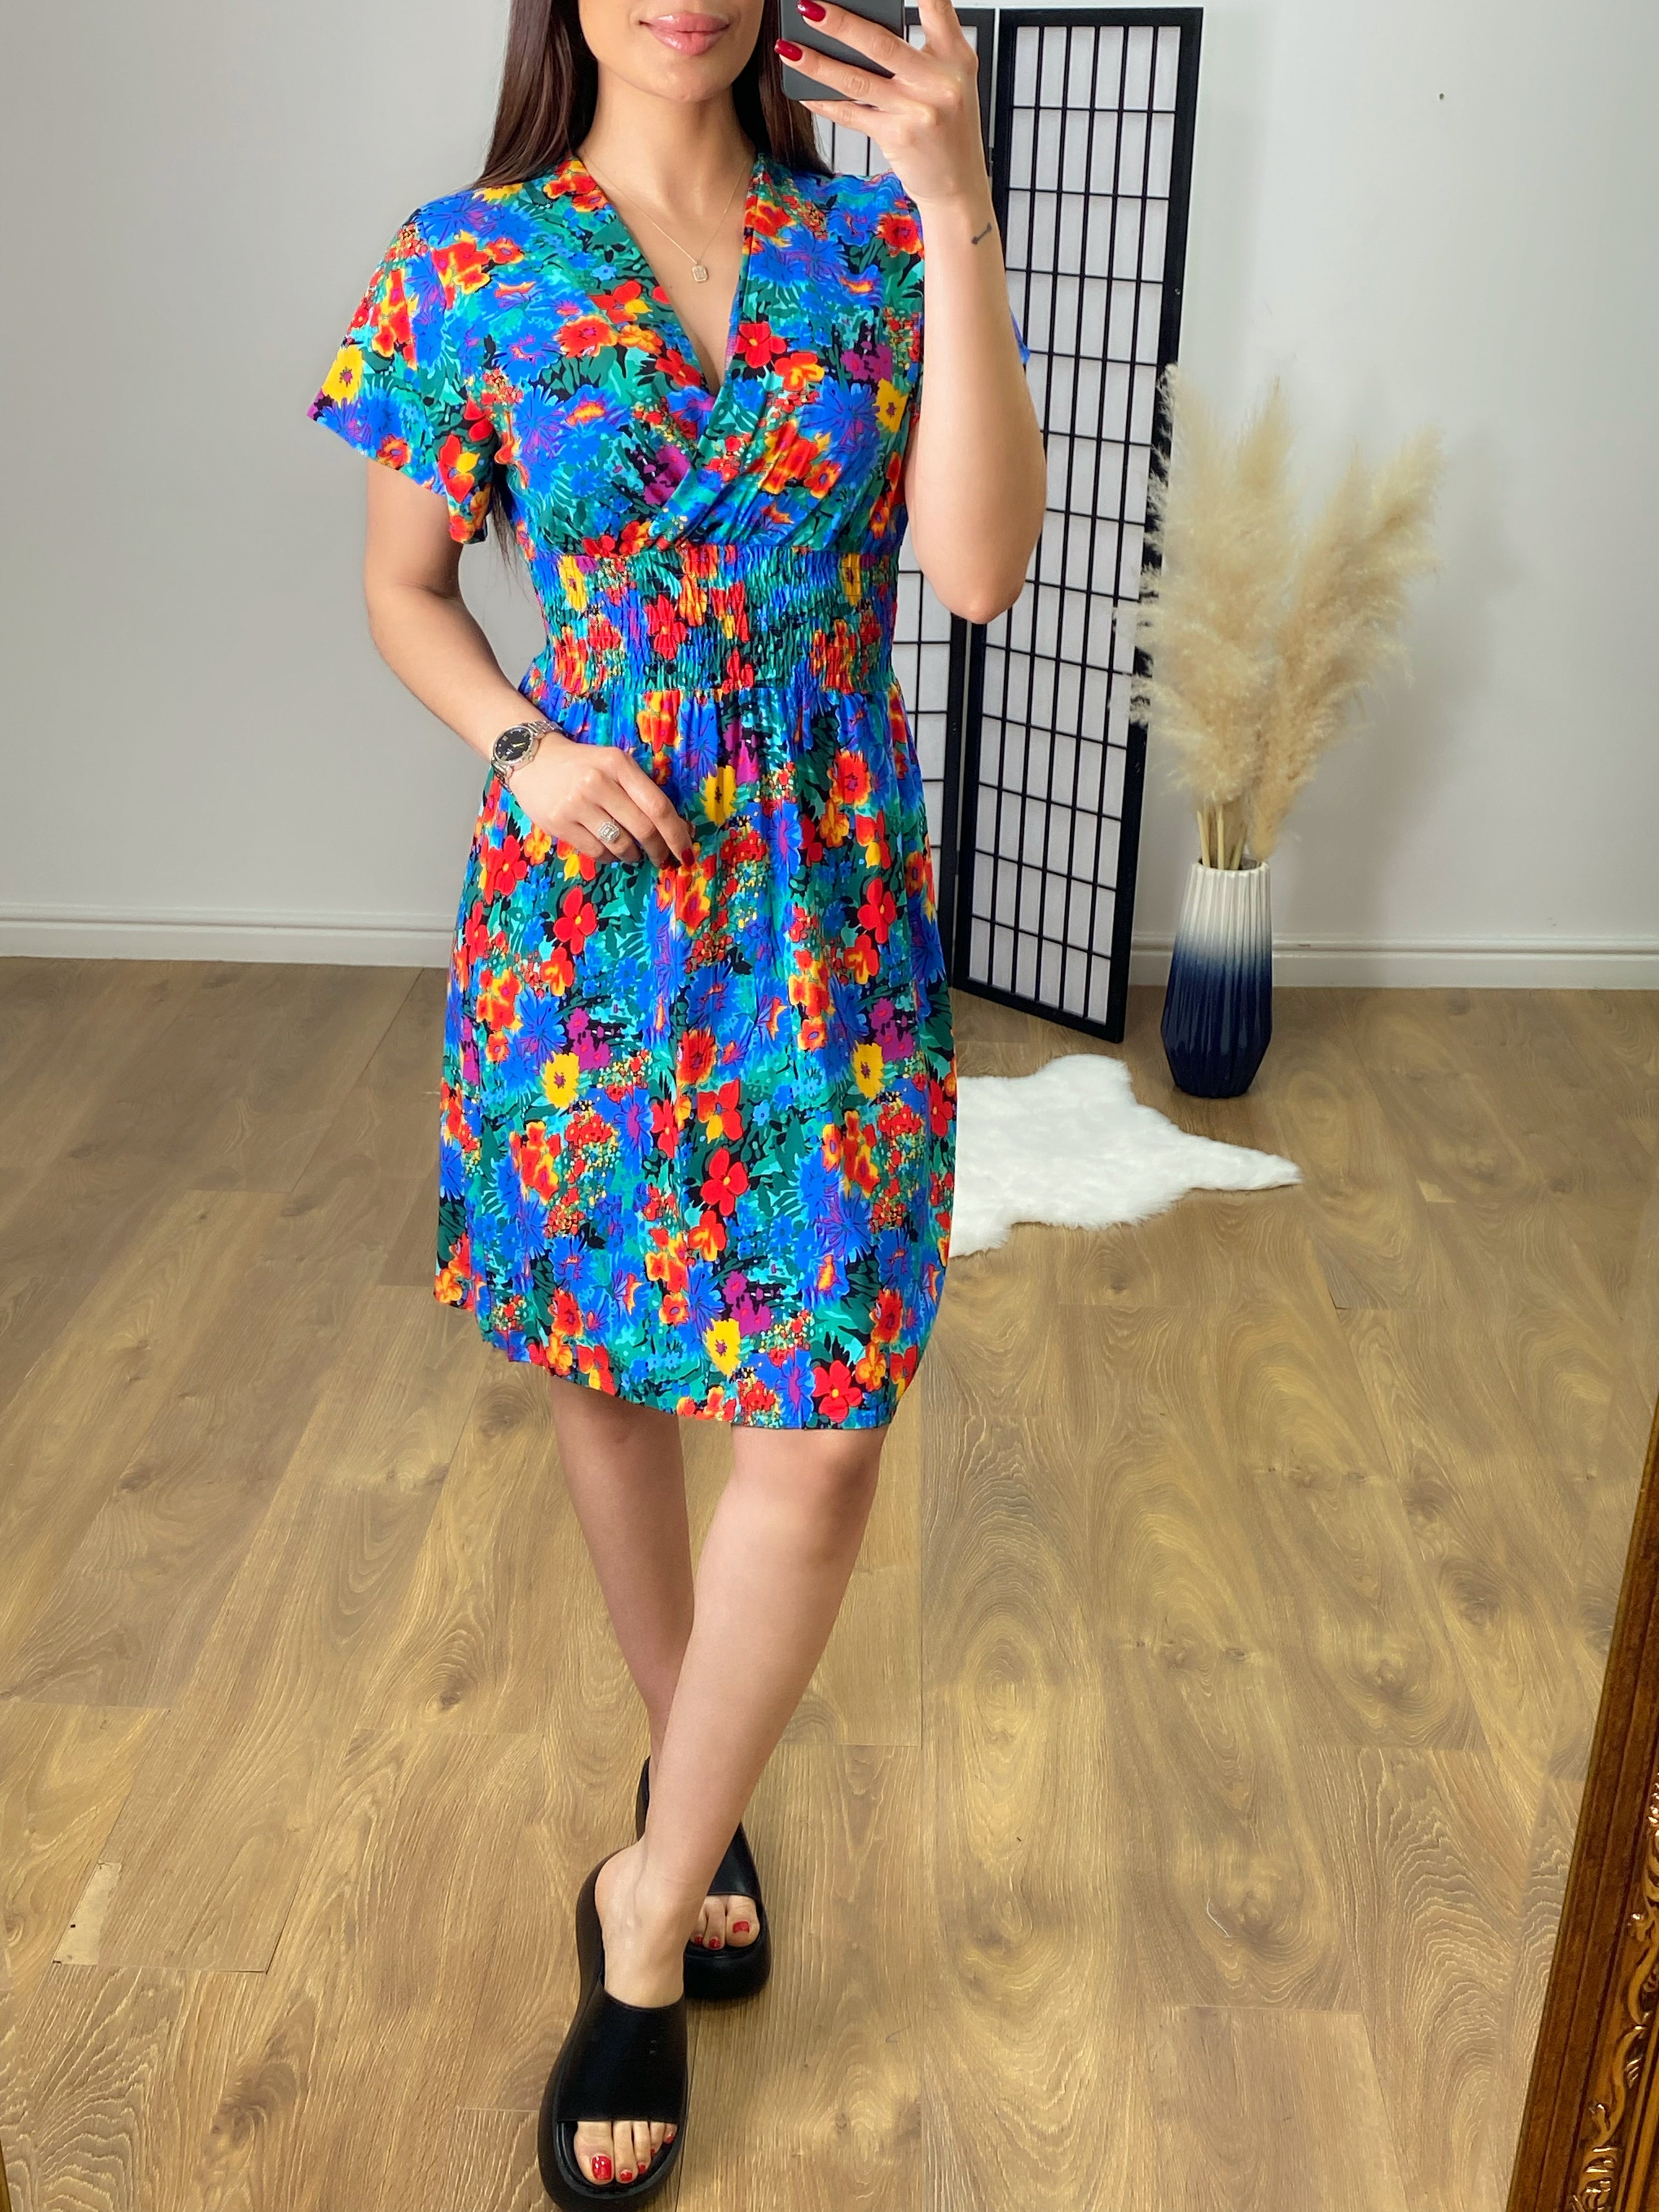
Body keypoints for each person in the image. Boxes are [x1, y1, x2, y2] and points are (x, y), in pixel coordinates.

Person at [307, 0, 1043, 2197]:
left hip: (825, 905)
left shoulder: (880, 251)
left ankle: (645, 1914)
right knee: (611, 1378)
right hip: (590, 918)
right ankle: (696, 1796)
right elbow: (404, 588)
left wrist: (961, 202)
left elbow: (979, 571)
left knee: (821, 1427)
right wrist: (524, 746)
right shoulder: (469, 260)